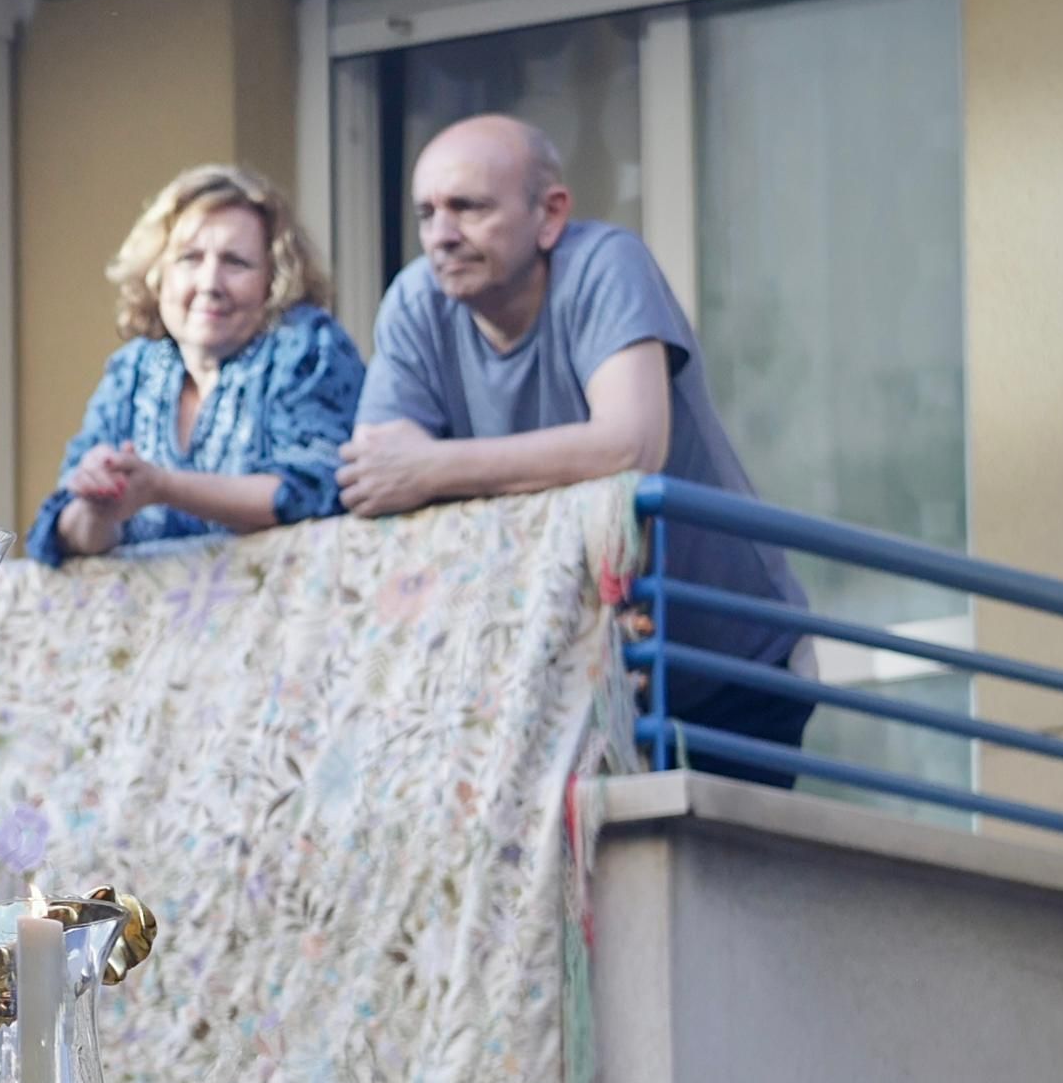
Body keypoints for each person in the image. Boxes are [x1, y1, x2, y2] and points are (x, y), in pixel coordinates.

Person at [341, 112, 810, 761]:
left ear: (550, 214)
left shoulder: (603, 264)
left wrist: (432, 468)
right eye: (426, 214)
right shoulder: (416, 301)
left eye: (469, 208)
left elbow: (630, 447)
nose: (441, 236)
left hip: (728, 665)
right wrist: (416, 473)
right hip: (557, 682)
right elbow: (380, 477)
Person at [29, 166, 366, 563]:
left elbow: (317, 491)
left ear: (275, 279)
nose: (209, 283)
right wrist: (98, 505)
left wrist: (163, 487)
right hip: (150, 621)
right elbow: (61, 533)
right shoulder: (133, 370)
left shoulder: (306, 346)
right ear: (158, 275)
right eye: (189, 259)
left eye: (236, 263)